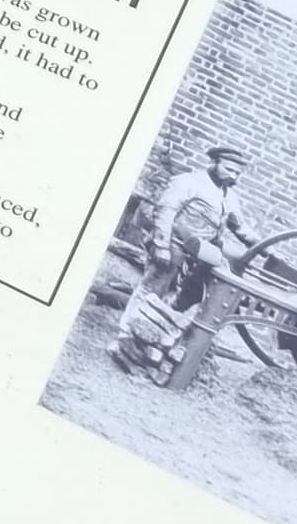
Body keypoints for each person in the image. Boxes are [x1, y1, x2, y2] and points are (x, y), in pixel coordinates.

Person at [113, 145, 265, 378]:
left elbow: (241, 228)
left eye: (237, 173)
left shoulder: (229, 196)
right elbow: (166, 210)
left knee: (183, 299)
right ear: (213, 163)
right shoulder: (188, 182)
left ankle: (151, 340)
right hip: (173, 246)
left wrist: (265, 249)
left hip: (200, 254)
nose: (232, 176)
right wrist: (162, 245)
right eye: (228, 169)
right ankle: (124, 337)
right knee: (152, 289)